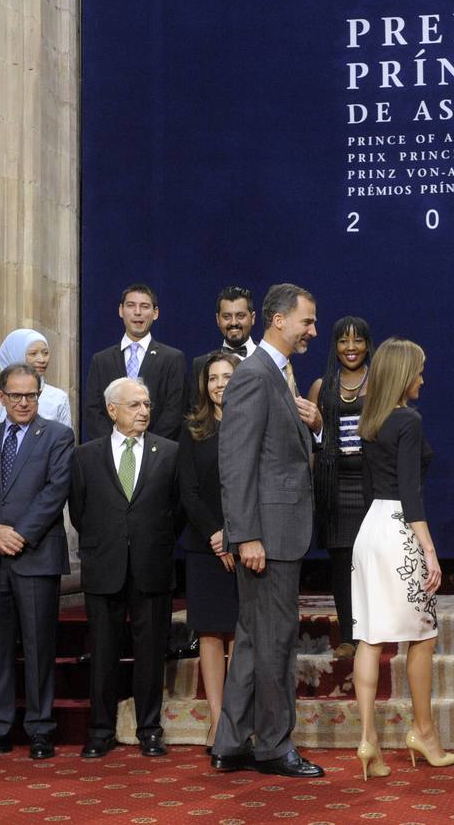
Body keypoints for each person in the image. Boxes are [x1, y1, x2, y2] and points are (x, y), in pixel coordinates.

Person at [211, 283, 326, 779]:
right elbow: (235, 463)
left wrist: (316, 427)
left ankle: (231, 742)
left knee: (255, 639)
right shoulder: (256, 374)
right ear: (278, 320)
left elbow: (283, 450)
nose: (313, 330)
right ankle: (274, 747)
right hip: (269, 535)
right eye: (307, 321)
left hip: (278, 530)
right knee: (275, 642)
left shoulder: (278, 372)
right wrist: (247, 534)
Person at [351, 338, 454, 778]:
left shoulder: (371, 420)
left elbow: (369, 486)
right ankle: (424, 733)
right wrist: (430, 552)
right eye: (418, 370)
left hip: (370, 530)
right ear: (403, 374)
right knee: (423, 634)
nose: (422, 378)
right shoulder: (408, 420)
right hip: (400, 530)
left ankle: (367, 742)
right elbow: (411, 493)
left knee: (370, 636)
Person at [0, 363, 75, 760]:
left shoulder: (58, 436)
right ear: (1, 397)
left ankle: (41, 728)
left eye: (31, 395)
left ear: (39, 397)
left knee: (40, 646)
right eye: (16, 395)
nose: (24, 402)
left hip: (35, 555)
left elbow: (55, 490)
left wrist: (19, 534)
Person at [69, 377, 181, 759]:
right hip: (105, 566)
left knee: (151, 654)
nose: (144, 412)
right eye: (134, 405)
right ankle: (101, 730)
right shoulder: (85, 456)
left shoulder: (169, 452)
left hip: (153, 566)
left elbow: (177, 511)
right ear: (112, 410)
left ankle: (149, 729)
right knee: (103, 653)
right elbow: (79, 512)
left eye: (147, 404)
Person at [177, 350, 242, 750]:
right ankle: (218, 719)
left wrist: (234, 534)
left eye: (227, 377)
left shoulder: (253, 425)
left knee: (239, 635)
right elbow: (189, 491)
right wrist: (215, 535)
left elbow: (251, 487)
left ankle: (239, 717)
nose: (220, 384)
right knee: (211, 635)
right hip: (205, 548)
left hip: (245, 542)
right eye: (213, 378)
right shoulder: (193, 429)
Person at [307, 316, 372, 659]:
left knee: (368, 562)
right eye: (343, 341)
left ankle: (372, 632)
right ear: (335, 346)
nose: (350, 348)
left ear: (367, 344)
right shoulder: (322, 386)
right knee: (341, 562)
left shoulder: (379, 383)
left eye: (357, 341)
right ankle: (349, 635)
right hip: (333, 486)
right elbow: (312, 444)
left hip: (369, 486)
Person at [83, 283, 187, 440]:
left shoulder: (172, 358)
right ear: (121, 310)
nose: (137, 312)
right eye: (131, 306)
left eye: (144, 306)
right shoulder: (101, 360)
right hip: (110, 455)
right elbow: (93, 410)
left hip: (156, 454)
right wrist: (114, 445)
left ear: (155, 313)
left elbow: (174, 411)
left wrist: (146, 447)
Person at [0, 328, 73, 429]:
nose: (42, 360)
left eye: (45, 353)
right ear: (16, 355)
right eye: (33, 354)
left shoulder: (58, 398)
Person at [188, 286, 257, 410]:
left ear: (252, 318)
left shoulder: (270, 359)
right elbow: (196, 414)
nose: (233, 322)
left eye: (240, 316)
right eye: (227, 317)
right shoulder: (201, 364)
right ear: (217, 319)